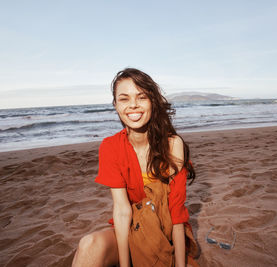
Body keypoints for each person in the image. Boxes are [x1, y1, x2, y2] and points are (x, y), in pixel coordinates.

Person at [72, 68, 196, 267]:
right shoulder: (110, 147)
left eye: (141, 97)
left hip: (166, 232)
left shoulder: (172, 145)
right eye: (124, 99)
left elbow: (176, 213)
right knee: (88, 245)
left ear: (152, 102)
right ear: (115, 105)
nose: (133, 105)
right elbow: (122, 211)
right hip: (133, 229)